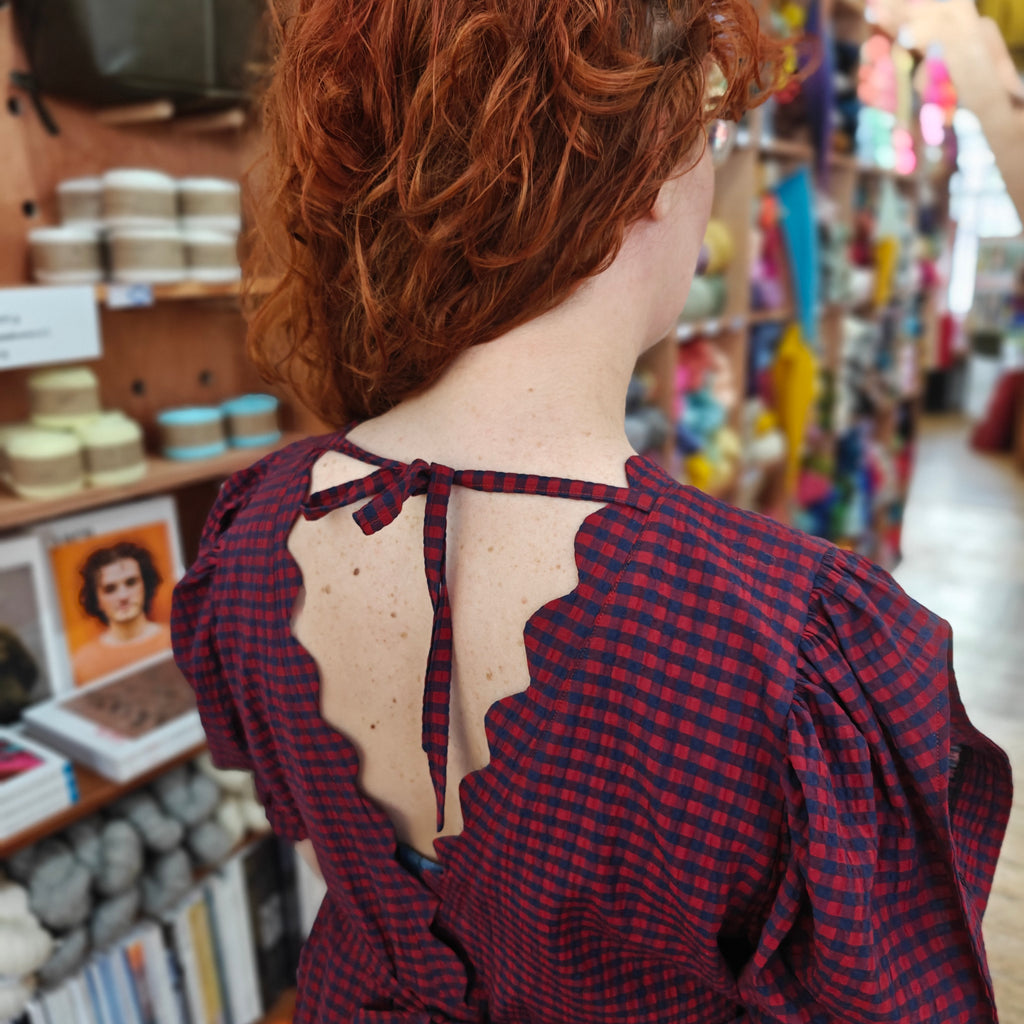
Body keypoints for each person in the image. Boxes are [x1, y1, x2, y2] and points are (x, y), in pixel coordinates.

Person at [171, 2, 1012, 1022]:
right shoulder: (783, 640)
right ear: (647, 169)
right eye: (708, 135)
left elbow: (300, 806)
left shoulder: (252, 528)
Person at [74, 541, 171, 685]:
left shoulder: (175, 640)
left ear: (146, 585)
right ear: (96, 599)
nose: (123, 596)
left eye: (131, 582)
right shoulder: (80, 664)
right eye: (110, 589)